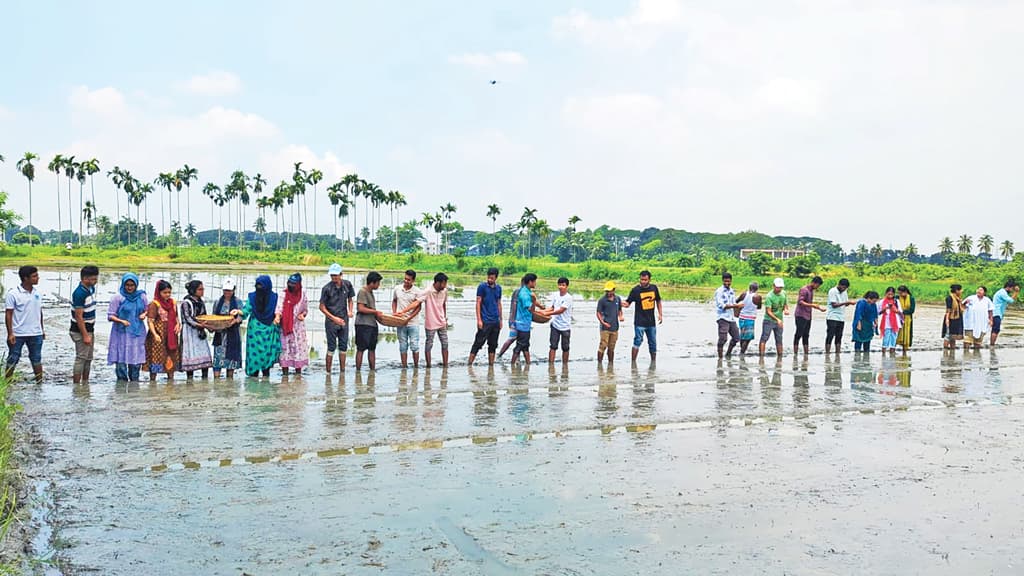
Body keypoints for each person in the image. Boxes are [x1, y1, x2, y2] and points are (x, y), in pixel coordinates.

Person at [4, 265, 44, 382]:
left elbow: (39, 312)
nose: (37, 278)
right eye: (34, 276)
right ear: (26, 278)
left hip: (36, 333)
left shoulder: (37, 293)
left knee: (36, 359)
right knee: (13, 358)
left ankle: (39, 384)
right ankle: (7, 383)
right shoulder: (13, 294)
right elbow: (8, 314)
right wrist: (10, 333)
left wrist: (42, 330)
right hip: (18, 333)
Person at [401, 273, 448, 368]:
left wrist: (444, 318)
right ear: (438, 283)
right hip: (431, 323)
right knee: (429, 344)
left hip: (441, 322)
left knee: (445, 343)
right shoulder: (428, 291)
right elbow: (416, 303)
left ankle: (446, 365)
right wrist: (403, 312)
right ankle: (428, 366)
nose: (445, 286)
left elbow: (443, 305)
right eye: (444, 283)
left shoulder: (444, 291)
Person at [107, 272, 148, 382]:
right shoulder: (117, 297)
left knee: (135, 357)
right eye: (127, 285)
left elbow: (148, 309)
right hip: (121, 332)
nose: (130, 288)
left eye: (132, 285)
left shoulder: (142, 296)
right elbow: (110, 315)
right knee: (121, 356)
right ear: (123, 284)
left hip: (137, 332)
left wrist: (144, 314)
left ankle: (134, 383)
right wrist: (121, 320)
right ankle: (121, 384)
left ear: (136, 285)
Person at [242, 275, 282, 377]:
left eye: (261, 286)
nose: (259, 289)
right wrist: (238, 312)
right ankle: (253, 382)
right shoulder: (252, 297)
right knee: (254, 357)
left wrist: (278, 317)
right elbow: (246, 310)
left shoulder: (274, 298)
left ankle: (265, 377)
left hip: (269, 331)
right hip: (254, 334)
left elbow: (279, 311)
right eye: (257, 286)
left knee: (266, 357)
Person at [319, 263, 356, 373]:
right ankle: (328, 372)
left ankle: (342, 371)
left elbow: (350, 299)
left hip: (344, 319)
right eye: (332, 276)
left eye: (336, 275)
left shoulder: (347, 285)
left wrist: (350, 311)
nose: (334, 278)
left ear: (341, 274)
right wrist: (333, 318)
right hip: (331, 321)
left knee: (343, 346)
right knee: (331, 347)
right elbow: (321, 307)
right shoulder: (326, 288)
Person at [622, 271, 663, 362]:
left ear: (649, 280)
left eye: (645, 280)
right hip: (639, 322)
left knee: (652, 343)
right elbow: (628, 303)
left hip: (651, 322)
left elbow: (658, 301)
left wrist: (660, 314)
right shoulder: (635, 290)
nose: (643, 281)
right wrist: (618, 303)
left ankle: (653, 363)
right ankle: (633, 363)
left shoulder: (654, 288)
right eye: (641, 279)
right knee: (637, 341)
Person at [146, 280, 181, 381]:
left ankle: (170, 382)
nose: (167, 295)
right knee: (156, 357)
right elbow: (150, 321)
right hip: (159, 334)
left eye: (169, 292)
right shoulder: (154, 304)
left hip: (171, 334)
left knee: (171, 356)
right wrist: (155, 334)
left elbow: (176, 317)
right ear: (159, 292)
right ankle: (152, 382)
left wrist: (178, 325)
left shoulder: (173, 303)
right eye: (164, 292)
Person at [70, 265, 99, 384]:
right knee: (81, 358)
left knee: (88, 358)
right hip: (80, 330)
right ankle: (77, 385)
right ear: (85, 278)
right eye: (93, 279)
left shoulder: (90, 289)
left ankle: (85, 383)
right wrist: (85, 335)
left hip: (89, 329)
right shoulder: (79, 293)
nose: (95, 281)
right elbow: (78, 316)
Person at [179, 280, 213, 379]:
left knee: (204, 353)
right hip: (189, 332)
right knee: (190, 355)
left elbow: (204, 316)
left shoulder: (201, 302)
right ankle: (189, 380)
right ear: (193, 290)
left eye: (203, 289)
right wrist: (200, 325)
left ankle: (205, 378)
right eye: (200, 289)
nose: (202, 291)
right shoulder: (186, 303)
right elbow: (187, 318)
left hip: (199, 331)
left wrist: (209, 325)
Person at [469, 267, 503, 366]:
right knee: (478, 343)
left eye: (492, 278)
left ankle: (491, 366)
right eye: (488, 277)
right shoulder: (482, 287)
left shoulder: (499, 288)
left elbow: (499, 304)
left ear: (496, 278)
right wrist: (479, 320)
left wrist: (500, 320)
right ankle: (469, 364)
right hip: (485, 320)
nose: (489, 279)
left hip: (495, 321)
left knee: (493, 345)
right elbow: (478, 303)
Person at [511, 273, 545, 366]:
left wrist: (540, 306)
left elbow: (532, 300)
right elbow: (531, 309)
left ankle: (528, 364)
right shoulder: (524, 294)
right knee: (520, 346)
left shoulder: (526, 290)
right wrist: (534, 302)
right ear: (530, 282)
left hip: (523, 323)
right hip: (523, 324)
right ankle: (512, 365)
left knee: (525, 346)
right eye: (535, 281)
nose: (535, 283)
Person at [211, 279, 242, 378]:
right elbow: (214, 316)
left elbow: (241, 317)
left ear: (233, 290)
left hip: (232, 334)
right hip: (220, 334)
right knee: (217, 360)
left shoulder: (238, 302)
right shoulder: (217, 302)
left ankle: (230, 380)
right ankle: (216, 381)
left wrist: (234, 321)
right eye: (225, 290)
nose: (227, 293)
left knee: (230, 361)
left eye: (229, 290)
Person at [392, 270, 422, 369]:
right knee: (402, 345)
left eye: (408, 280)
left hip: (413, 323)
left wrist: (409, 318)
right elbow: (394, 301)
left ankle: (416, 366)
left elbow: (418, 308)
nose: (406, 281)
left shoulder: (417, 291)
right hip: (400, 322)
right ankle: (404, 367)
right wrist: (394, 313)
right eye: (405, 278)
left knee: (414, 345)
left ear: (413, 280)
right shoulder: (397, 289)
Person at [355, 272, 385, 371]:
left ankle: (372, 371)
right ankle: (358, 372)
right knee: (361, 349)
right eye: (378, 283)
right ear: (372, 283)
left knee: (372, 349)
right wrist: (376, 312)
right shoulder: (362, 292)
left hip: (371, 324)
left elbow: (370, 309)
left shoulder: (370, 292)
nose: (379, 285)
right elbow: (361, 308)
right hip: (363, 324)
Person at [793, 276, 826, 356]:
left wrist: (816, 307)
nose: (817, 287)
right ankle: (795, 354)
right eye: (818, 285)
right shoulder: (804, 290)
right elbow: (800, 302)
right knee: (798, 334)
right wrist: (812, 305)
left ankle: (806, 354)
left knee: (806, 335)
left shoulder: (811, 291)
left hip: (808, 315)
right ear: (814, 283)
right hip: (800, 315)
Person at [714, 272, 743, 359]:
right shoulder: (719, 291)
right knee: (723, 339)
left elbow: (733, 304)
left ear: (731, 281)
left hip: (731, 318)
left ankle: (728, 354)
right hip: (722, 317)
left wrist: (738, 309)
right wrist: (736, 306)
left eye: (729, 281)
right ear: (722, 280)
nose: (727, 283)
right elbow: (722, 306)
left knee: (736, 338)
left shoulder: (731, 291)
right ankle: (720, 358)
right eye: (725, 281)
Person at [758, 278, 789, 359]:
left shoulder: (784, 293)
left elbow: (785, 304)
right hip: (769, 320)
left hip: (779, 321)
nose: (779, 289)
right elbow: (768, 311)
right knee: (764, 338)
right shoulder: (769, 296)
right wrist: (777, 319)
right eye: (777, 287)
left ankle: (780, 358)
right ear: (773, 286)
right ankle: (761, 358)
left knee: (779, 340)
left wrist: (786, 309)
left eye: (781, 287)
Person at [596, 281, 625, 364]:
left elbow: (619, 310)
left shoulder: (617, 299)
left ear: (614, 290)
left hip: (615, 327)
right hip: (605, 328)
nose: (608, 293)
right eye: (607, 291)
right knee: (603, 345)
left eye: (610, 291)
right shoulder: (602, 300)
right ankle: (599, 364)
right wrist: (603, 322)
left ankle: (610, 365)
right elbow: (598, 313)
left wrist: (621, 316)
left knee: (612, 347)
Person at [825, 278, 855, 355]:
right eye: (843, 287)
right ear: (839, 285)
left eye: (845, 288)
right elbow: (834, 305)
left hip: (841, 317)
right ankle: (827, 353)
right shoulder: (832, 291)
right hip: (832, 316)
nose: (844, 289)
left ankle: (837, 353)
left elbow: (845, 303)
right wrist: (846, 302)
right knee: (830, 335)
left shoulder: (844, 292)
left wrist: (849, 303)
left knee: (839, 336)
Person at [547, 277, 573, 364]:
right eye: (559, 285)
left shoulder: (568, 298)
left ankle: (565, 366)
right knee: (553, 346)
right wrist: (542, 312)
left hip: (565, 326)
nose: (561, 287)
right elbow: (552, 308)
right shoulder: (555, 295)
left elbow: (561, 310)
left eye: (563, 285)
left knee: (565, 348)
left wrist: (547, 314)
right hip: (555, 325)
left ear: (567, 286)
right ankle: (551, 366)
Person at [497, 279, 523, 360]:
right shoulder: (518, 292)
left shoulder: (525, 292)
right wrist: (513, 320)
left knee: (520, 339)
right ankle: (499, 355)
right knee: (512, 338)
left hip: (520, 320)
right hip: (515, 320)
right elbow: (514, 306)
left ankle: (517, 358)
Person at [962, 286, 994, 350]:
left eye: (981, 290)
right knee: (967, 341)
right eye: (978, 289)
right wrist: (965, 303)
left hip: (982, 323)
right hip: (970, 323)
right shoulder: (970, 298)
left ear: (984, 292)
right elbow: (962, 306)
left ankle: (977, 356)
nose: (979, 291)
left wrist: (991, 320)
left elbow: (990, 310)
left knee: (978, 342)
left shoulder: (987, 300)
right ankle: (966, 356)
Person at [991, 280, 1018, 347]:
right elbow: (1011, 301)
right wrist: (1016, 292)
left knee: (994, 329)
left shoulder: (1002, 292)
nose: (1012, 291)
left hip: (996, 313)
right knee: (996, 329)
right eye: (1012, 289)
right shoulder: (1002, 293)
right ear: (1009, 287)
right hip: (997, 313)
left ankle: (992, 344)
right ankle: (992, 345)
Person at [736, 282, 761, 356]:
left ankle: (741, 350)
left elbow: (736, 302)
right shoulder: (757, 297)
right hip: (750, 319)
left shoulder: (743, 294)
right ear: (757, 289)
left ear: (749, 287)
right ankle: (742, 353)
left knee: (742, 336)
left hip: (741, 318)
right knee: (748, 338)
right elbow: (759, 307)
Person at [877, 287, 903, 355]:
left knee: (894, 338)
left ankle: (892, 352)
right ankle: (884, 353)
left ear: (894, 294)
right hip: (886, 323)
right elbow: (878, 312)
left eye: (891, 294)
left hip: (895, 323)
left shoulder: (896, 301)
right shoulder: (882, 302)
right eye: (888, 294)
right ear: (886, 293)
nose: (890, 296)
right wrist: (884, 309)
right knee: (886, 338)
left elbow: (900, 312)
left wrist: (895, 310)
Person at [943, 284, 965, 350]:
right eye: (960, 290)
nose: (961, 291)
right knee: (948, 335)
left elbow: (960, 308)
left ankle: (953, 349)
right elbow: (948, 310)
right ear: (956, 291)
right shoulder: (949, 298)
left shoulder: (958, 299)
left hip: (957, 318)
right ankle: (945, 350)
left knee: (953, 335)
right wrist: (947, 319)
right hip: (951, 318)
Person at [896, 285, 916, 354]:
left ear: (905, 292)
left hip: (908, 319)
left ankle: (904, 351)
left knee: (907, 334)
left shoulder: (911, 298)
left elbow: (912, 310)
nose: (900, 294)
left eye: (901, 293)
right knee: (896, 333)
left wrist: (901, 312)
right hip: (898, 319)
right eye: (899, 293)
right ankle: (893, 350)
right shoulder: (897, 298)